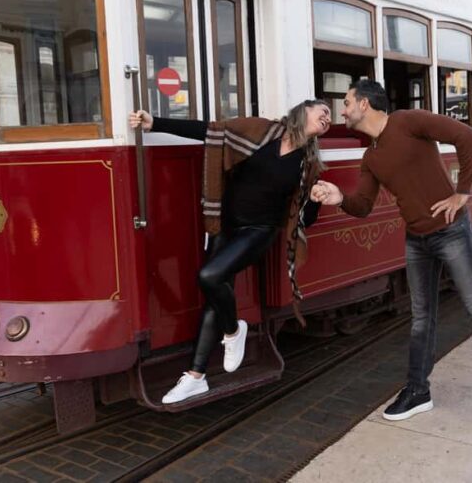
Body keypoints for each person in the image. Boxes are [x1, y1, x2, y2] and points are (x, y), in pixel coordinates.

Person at [311, 80, 472, 436]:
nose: (342, 110)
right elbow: (361, 205)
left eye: (346, 102)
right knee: (421, 318)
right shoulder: (371, 157)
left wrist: (462, 193)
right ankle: (418, 391)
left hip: (451, 232)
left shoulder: (408, 121)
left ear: (364, 103)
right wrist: (338, 197)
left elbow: (468, 136)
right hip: (417, 240)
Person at [129, 100, 330, 404]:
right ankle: (196, 377)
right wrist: (155, 123)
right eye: (323, 111)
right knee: (217, 287)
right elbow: (211, 131)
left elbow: (307, 219)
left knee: (209, 276)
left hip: (259, 231)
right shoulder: (261, 130)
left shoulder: (308, 163)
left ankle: (234, 332)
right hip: (225, 224)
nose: (328, 118)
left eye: (330, 117)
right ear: (303, 112)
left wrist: (316, 199)